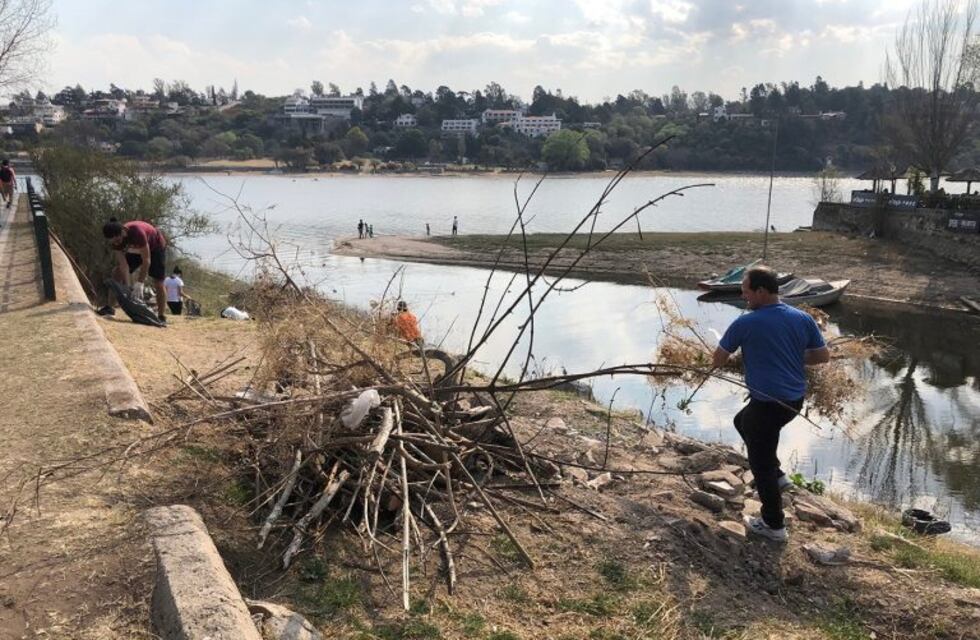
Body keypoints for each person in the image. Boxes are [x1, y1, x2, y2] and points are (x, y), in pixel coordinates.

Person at [711, 266, 830, 543]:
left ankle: (773, 525)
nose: (743, 296)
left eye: (746, 291)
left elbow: (718, 359)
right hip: (793, 401)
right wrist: (789, 356)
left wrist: (732, 357)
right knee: (741, 421)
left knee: (759, 462)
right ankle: (777, 476)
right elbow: (822, 356)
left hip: (767, 403)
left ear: (761, 291)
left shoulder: (746, 323)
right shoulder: (802, 318)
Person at [103, 218, 169, 323]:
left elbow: (146, 260)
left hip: (156, 247)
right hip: (136, 249)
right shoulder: (115, 242)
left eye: (118, 240)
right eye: (113, 241)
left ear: (123, 231)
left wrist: (140, 283)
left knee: (158, 281)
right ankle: (109, 308)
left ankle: (161, 316)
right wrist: (127, 286)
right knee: (117, 272)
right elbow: (124, 265)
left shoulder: (137, 232)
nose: (117, 243)